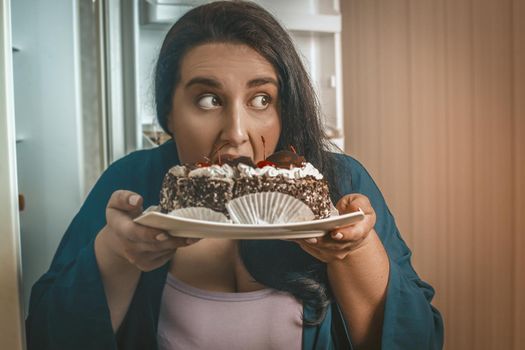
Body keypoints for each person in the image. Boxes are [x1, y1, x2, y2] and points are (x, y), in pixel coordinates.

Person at [25, 1, 444, 349]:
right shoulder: (133, 183)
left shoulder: (337, 184)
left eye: (261, 98)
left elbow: (419, 340)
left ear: (286, 107)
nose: (236, 133)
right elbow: (48, 336)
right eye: (208, 99)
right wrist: (116, 255)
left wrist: (353, 250)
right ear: (168, 111)